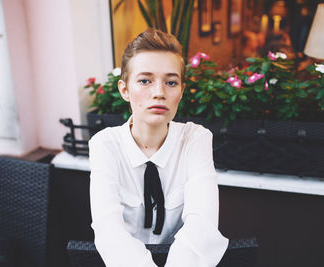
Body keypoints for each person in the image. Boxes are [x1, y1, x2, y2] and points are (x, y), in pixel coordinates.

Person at [88, 28, 228, 267]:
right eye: (145, 80)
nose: (159, 93)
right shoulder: (105, 145)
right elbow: (108, 228)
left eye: (171, 82)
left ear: (181, 91)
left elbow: (202, 225)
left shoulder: (195, 139)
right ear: (124, 90)